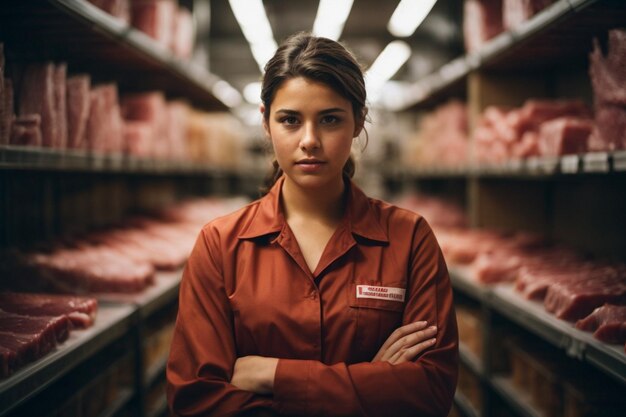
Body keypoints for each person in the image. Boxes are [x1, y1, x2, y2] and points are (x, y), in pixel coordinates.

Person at [166, 32, 458, 417]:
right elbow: (196, 400)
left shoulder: (409, 238)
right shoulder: (221, 244)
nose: (310, 140)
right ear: (266, 123)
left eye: (330, 119)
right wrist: (372, 379)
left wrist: (273, 375)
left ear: (358, 121)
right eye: (290, 120)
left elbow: (430, 392)